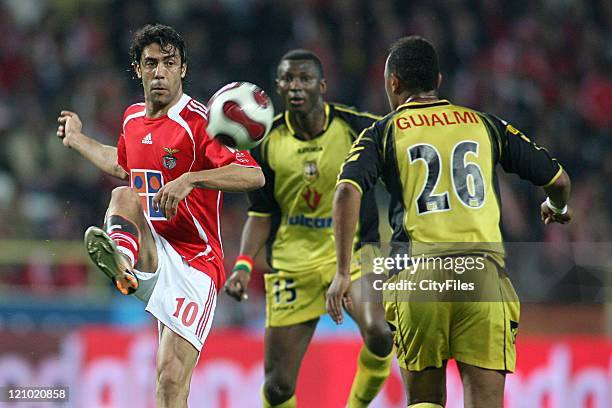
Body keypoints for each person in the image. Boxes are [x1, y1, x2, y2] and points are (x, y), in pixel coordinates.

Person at [326, 36, 571, 408]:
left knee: (425, 400)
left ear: (393, 83)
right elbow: (560, 181)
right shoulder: (484, 124)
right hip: (481, 274)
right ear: (437, 80)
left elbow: (346, 192)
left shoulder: (383, 131)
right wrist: (556, 205)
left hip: (419, 276)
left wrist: (344, 272)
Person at [56, 24, 264, 407]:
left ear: (183, 69)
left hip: (196, 263)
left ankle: (126, 264)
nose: (160, 72)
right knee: (124, 194)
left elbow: (253, 174)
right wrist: (77, 139)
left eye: (169, 63)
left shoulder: (200, 121)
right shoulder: (132, 118)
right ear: (137, 69)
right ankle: (122, 262)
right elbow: (123, 165)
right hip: (153, 245)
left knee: (169, 381)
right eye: (151, 63)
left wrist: (192, 179)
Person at [224, 49, 394, 408]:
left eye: (304, 79)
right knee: (277, 388)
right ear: (278, 87)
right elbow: (261, 212)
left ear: (322, 85)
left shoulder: (358, 128)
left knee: (380, 334)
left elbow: (401, 167)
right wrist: (242, 266)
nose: (296, 86)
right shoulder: (267, 141)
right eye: (288, 79)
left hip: (355, 254)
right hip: (292, 263)